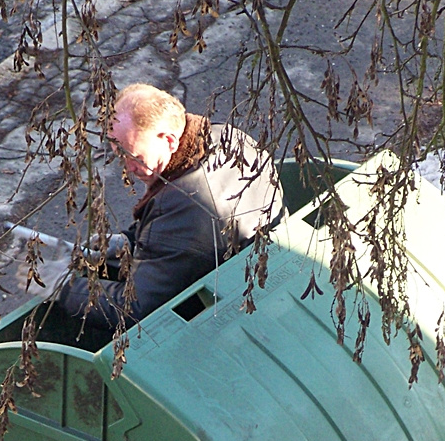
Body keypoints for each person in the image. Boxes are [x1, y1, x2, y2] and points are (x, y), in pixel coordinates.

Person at [57, 84, 284, 336]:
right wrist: (130, 241)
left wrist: (62, 287)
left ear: (169, 140)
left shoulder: (182, 204)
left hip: (227, 313)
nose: (128, 168)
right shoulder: (228, 136)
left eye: (134, 157)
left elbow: (133, 309)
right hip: (265, 269)